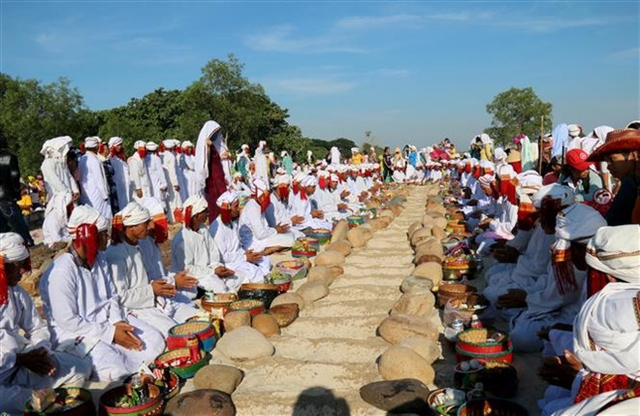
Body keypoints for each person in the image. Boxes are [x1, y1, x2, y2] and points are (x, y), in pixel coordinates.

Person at [39, 205, 165, 382]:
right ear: (89, 236)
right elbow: (68, 321)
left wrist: (118, 322)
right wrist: (110, 334)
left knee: (155, 341)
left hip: (107, 321)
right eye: (103, 234)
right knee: (116, 367)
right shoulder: (62, 272)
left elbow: (112, 296)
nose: (107, 238)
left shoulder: (99, 259)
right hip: (78, 333)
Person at [0, 232, 92, 414]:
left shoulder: (16, 293)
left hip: (21, 365)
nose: (22, 273)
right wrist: (20, 359)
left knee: (81, 368)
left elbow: (36, 327)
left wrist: (41, 351)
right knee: (29, 404)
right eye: (16, 267)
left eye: (22, 266)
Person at [106, 201, 186, 335]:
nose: (150, 227)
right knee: (174, 333)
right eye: (145, 223)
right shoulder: (116, 254)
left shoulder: (137, 246)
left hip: (150, 300)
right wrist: (151, 290)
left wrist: (163, 285)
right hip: (136, 308)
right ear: (132, 227)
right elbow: (121, 296)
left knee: (192, 316)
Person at [171, 195, 240, 294]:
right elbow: (188, 269)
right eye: (205, 211)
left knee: (237, 277)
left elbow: (213, 252)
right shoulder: (182, 239)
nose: (208, 213)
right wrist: (212, 272)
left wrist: (217, 267)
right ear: (196, 215)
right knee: (220, 288)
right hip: (195, 276)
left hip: (209, 272)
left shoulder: (203, 229)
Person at [209, 191, 270, 280]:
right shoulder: (217, 228)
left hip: (239, 257)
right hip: (229, 263)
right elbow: (223, 257)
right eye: (236, 206)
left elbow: (237, 246)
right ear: (228, 209)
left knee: (265, 261)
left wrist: (245, 253)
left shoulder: (232, 222)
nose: (239, 209)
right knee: (254, 272)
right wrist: (244, 257)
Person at [587, 128, 640, 225]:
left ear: (632, 155)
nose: (608, 166)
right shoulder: (630, 182)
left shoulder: (630, 183)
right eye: (606, 161)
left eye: (612, 159)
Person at [238, 178, 294, 254]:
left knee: (290, 235)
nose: (267, 198)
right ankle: (267, 250)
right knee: (290, 239)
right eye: (265, 195)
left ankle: (271, 248)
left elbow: (265, 228)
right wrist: (276, 230)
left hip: (263, 237)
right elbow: (260, 235)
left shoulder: (259, 204)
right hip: (253, 242)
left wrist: (275, 230)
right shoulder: (252, 207)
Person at [0, 133, 35, 246]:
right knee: (18, 223)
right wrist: (16, 189)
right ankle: (28, 241)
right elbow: (15, 175)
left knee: (1, 229)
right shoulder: (10, 157)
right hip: (7, 196)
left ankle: (4, 249)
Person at [195, 120, 227, 223]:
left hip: (218, 176)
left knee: (223, 198)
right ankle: (216, 222)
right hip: (212, 178)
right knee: (215, 201)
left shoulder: (213, 144)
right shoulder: (206, 143)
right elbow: (205, 161)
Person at [78, 136, 112, 221]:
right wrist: (105, 194)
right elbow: (99, 179)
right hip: (98, 194)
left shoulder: (83, 158)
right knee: (103, 217)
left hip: (87, 193)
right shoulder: (94, 160)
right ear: (96, 147)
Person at [108, 136, 133, 211]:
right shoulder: (110, 158)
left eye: (120, 145)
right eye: (118, 145)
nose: (120, 147)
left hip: (124, 185)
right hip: (117, 186)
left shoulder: (121, 158)